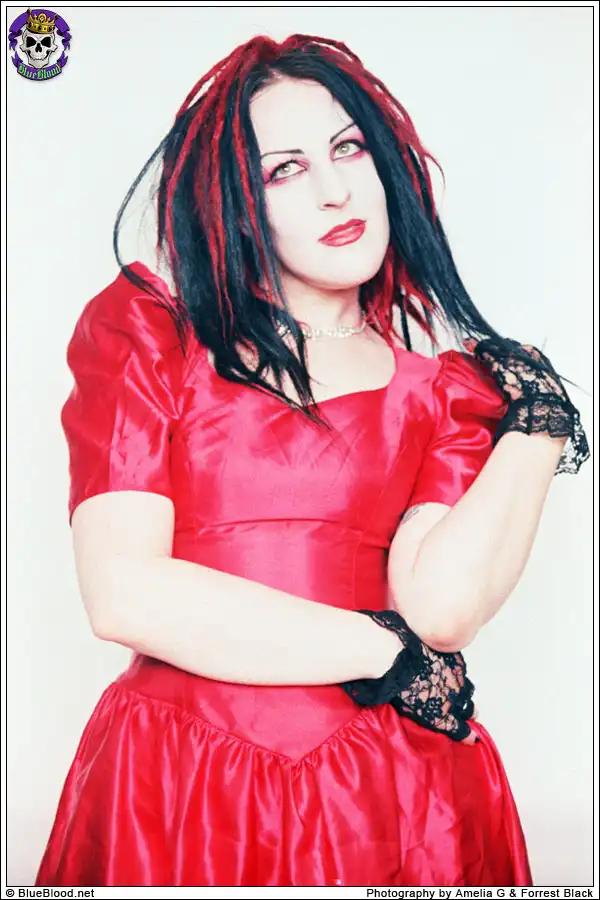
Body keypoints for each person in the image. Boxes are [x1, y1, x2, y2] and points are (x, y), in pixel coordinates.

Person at [35, 33, 589, 888]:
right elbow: (124, 594)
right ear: (235, 206)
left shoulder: (438, 393)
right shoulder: (149, 335)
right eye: (284, 170)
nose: (335, 190)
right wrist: (382, 651)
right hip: (182, 780)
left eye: (348, 148)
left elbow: (441, 613)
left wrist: (539, 426)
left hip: (392, 790)